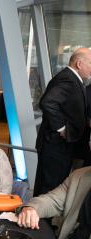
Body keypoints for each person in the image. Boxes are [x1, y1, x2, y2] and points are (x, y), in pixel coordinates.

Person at [34, 47, 91, 196]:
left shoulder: (74, 79)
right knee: (49, 189)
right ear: (79, 64)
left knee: (53, 187)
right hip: (55, 147)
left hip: (61, 147)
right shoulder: (68, 79)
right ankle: (38, 219)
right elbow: (47, 102)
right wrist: (62, 129)